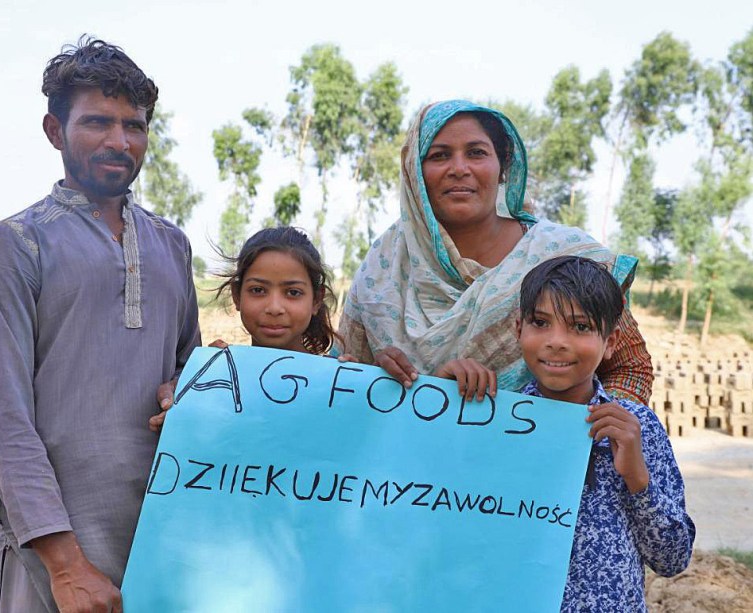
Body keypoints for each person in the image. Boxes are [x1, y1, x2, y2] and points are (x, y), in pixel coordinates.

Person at [0, 37, 200, 612]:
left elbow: (187, 371)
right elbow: (0, 417)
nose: (120, 141)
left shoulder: (171, 245)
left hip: (159, 547)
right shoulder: (16, 244)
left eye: (134, 125)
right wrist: (66, 565)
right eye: (97, 122)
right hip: (55, 565)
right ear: (55, 131)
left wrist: (187, 391)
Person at [337, 99, 653, 404]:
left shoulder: (563, 255)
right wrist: (379, 377)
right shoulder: (383, 267)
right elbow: (343, 381)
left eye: (476, 153)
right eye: (439, 156)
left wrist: (590, 429)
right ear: (415, 174)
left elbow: (630, 368)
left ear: (503, 167)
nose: (458, 168)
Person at [439, 256, 695, 610]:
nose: (557, 341)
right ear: (518, 330)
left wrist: (637, 478)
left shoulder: (637, 428)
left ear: (610, 341)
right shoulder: (494, 424)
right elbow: (446, 526)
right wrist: (437, 408)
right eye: (540, 322)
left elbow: (672, 560)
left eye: (580, 326)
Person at [150, 226, 337, 430]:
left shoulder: (336, 385)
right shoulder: (214, 378)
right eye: (258, 290)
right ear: (237, 295)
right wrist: (181, 411)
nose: (274, 308)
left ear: (316, 300)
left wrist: (355, 387)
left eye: (293, 292)